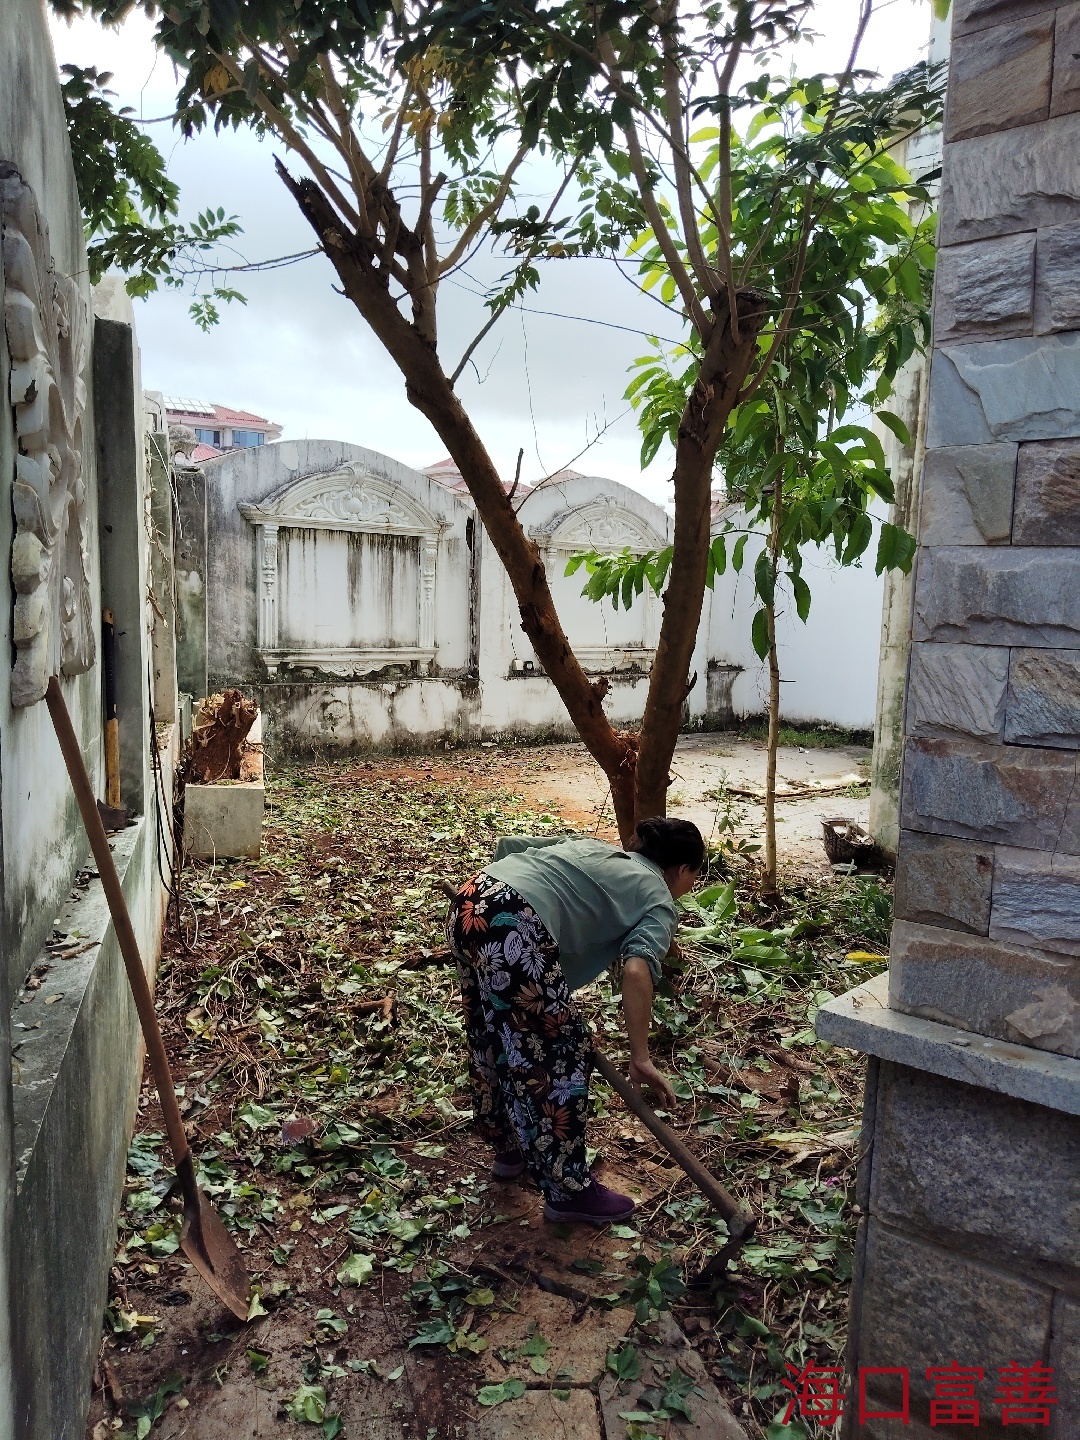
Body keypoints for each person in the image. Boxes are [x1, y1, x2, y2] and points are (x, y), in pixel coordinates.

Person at [445, 817, 704, 1225]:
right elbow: (637, 970)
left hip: (471, 900)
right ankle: (569, 1192)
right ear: (684, 869)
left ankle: (508, 1149)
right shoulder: (658, 898)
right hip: (514, 926)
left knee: (491, 1029)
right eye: (695, 875)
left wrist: (497, 907)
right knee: (559, 1054)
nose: (692, 885)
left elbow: (510, 844)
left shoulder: (594, 847)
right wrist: (640, 1056)